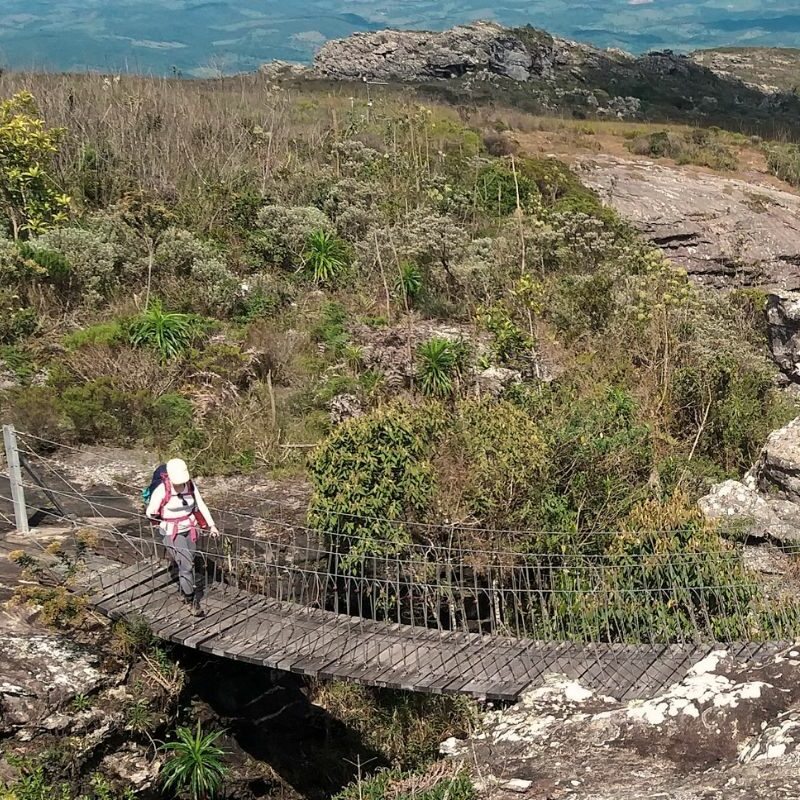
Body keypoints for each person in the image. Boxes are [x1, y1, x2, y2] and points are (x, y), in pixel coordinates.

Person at [145, 458, 218, 617]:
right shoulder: (162, 489)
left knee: (189, 560)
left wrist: (211, 525)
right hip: (172, 531)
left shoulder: (190, 485)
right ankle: (191, 601)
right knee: (186, 566)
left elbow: (201, 504)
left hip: (190, 529)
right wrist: (161, 521)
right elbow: (150, 512)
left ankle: (184, 587)